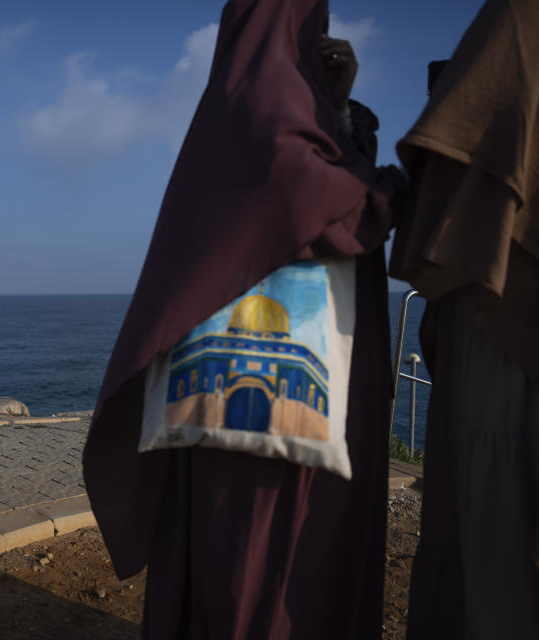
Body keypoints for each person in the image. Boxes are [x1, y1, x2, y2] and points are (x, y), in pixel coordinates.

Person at [81, 1, 406, 637]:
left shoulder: (238, 108)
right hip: (269, 430)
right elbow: (315, 198)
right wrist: (394, 189)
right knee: (264, 559)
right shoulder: (266, 105)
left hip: (224, 401)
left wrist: (337, 109)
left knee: (231, 552)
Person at [388, 0, 539, 636]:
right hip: (501, 308)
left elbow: (456, 197)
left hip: (499, 317)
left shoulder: (518, 21)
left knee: (492, 552)